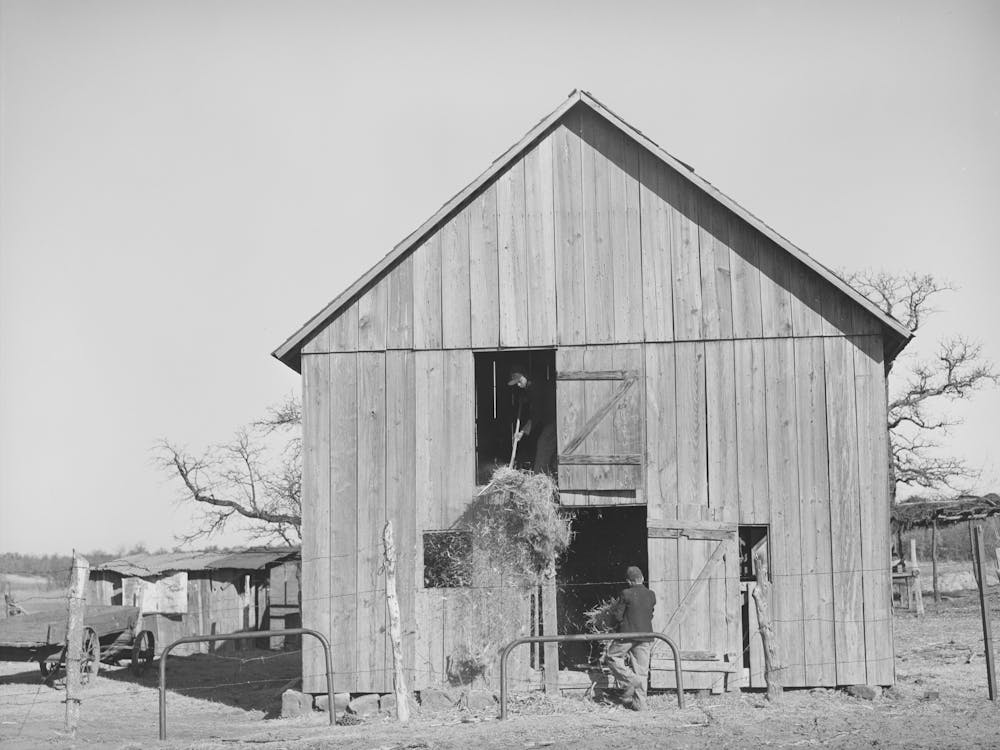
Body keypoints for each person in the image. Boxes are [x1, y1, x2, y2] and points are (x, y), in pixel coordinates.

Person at [607, 565, 656, 711]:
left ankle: (631, 680)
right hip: (646, 635)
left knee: (612, 657)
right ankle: (641, 705)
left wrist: (616, 625)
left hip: (627, 635)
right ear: (643, 579)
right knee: (641, 670)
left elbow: (617, 615)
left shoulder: (626, 593)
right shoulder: (651, 594)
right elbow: (650, 614)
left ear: (629, 581)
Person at [507, 365, 557, 475]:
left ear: (525, 376)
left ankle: (539, 477)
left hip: (553, 420)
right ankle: (548, 473)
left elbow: (536, 415)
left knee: (543, 445)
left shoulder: (535, 388)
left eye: (519, 381)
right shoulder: (531, 387)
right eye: (517, 384)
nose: (519, 385)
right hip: (548, 420)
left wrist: (522, 432)